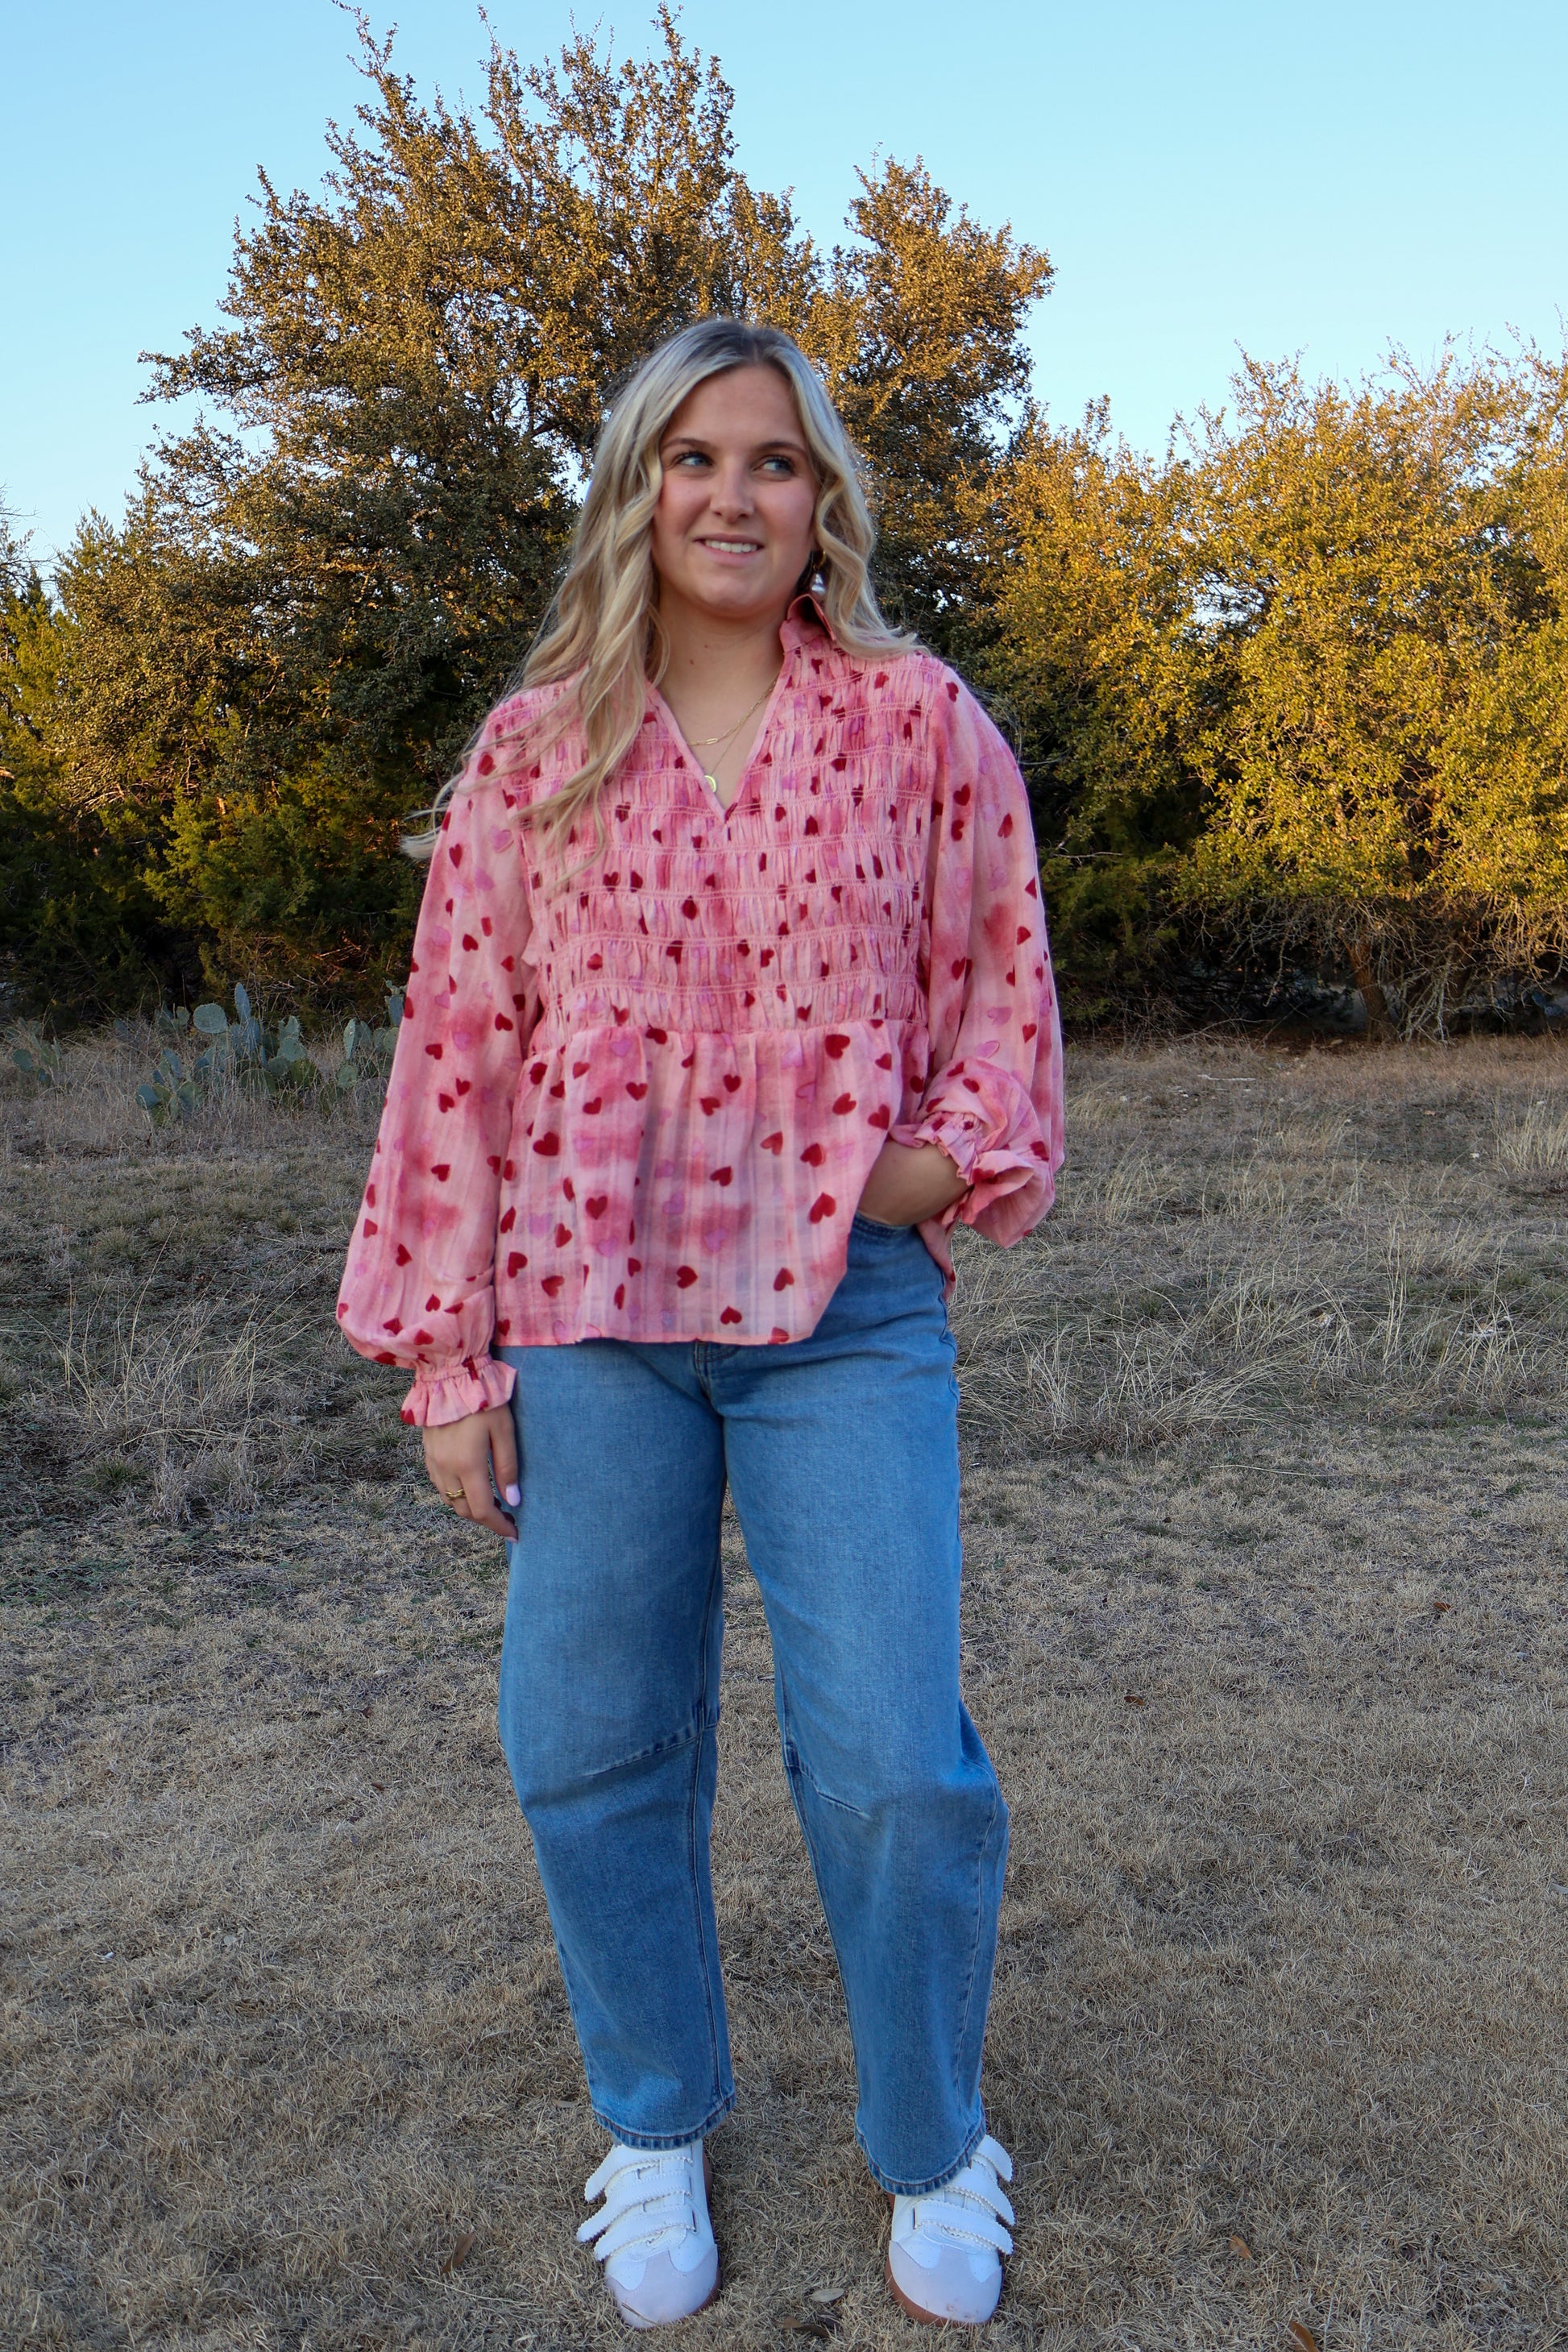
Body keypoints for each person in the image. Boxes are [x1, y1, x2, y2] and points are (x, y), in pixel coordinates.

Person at [338, 317, 1064, 2330]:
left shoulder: (916, 721)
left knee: (895, 1758)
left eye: (773, 460)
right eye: (694, 457)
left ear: (823, 500)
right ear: (637, 490)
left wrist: (926, 1164)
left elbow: (1001, 978)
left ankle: (933, 2135)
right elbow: (457, 1050)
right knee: (587, 1733)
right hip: (588, 1309)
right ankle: (654, 2117)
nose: (732, 495)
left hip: (846, 1313)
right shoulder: (538, 743)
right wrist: (447, 1357)